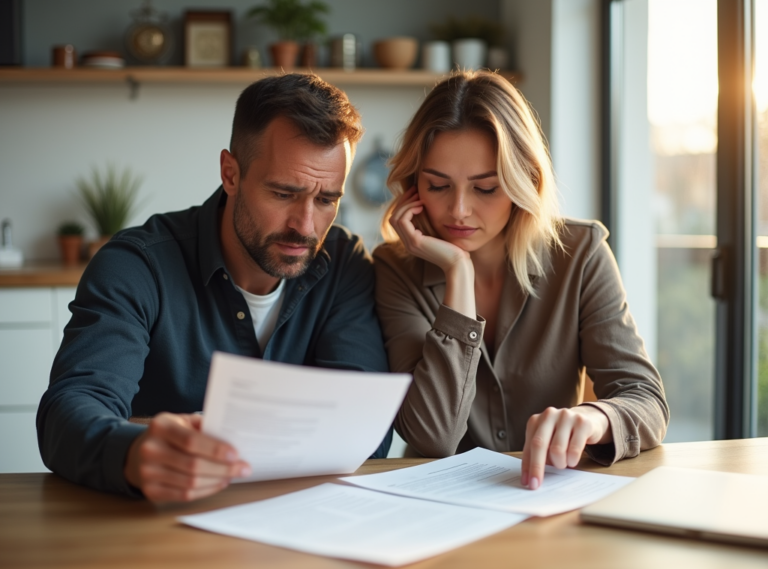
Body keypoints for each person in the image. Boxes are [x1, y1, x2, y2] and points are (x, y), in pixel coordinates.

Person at [38, 73, 391, 502]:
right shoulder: (137, 265)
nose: (305, 226)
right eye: (283, 194)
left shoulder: (344, 264)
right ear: (230, 174)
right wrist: (133, 452)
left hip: (304, 522)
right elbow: (68, 414)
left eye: (326, 200)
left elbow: (367, 429)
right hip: (159, 524)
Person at [374, 70, 669, 490]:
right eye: (438, 185)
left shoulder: (580, 254)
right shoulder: (394, 269)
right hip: (441, 502)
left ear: (523, 181)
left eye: (486, 188)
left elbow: (645, 398)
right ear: (413, 185)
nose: (458, 210)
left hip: (550, 495)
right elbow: (432, 436)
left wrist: (595, 418)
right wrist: (458, 271)